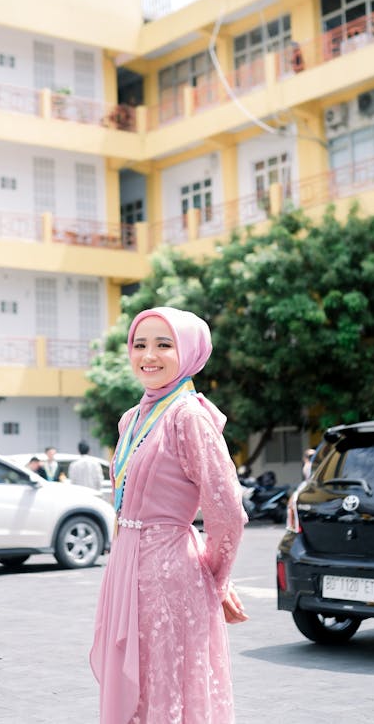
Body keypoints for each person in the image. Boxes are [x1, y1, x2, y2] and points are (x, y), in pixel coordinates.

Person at [90, 306, 248, 724]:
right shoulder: (132, 418)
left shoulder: (188, 416)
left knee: (165, 686)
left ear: (190, 352)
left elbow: (227, 509)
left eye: (165, 344)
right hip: (125, 566)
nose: (149, 355)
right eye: (140, 344)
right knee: (134, 691)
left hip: (170, 575)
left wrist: (216, 578)